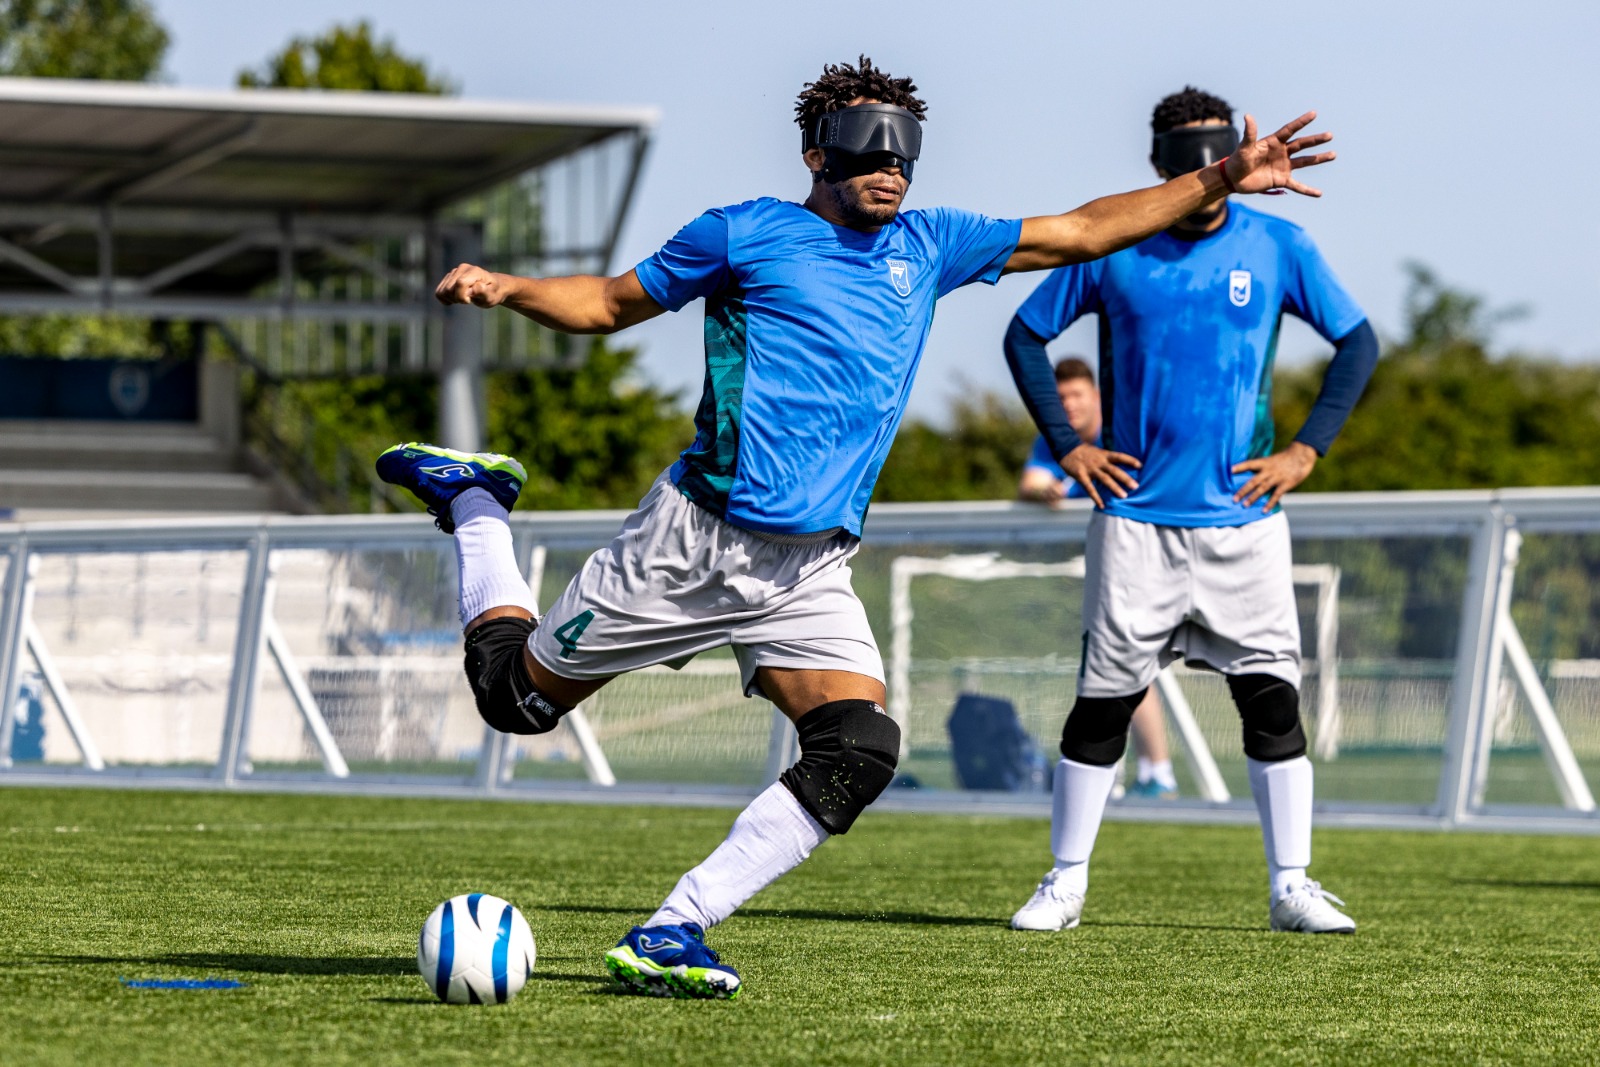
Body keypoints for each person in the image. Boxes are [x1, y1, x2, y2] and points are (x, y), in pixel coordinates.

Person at [377, 59, 1336, 998]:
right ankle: (473, 503)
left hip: (809, 572)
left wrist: (1216, 178)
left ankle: (674, 926)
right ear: (813, 153)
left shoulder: (933, 245)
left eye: (906, 149)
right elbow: (607, 303)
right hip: (692, 542)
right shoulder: (745, 234)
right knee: (515, 702)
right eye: (864, 144)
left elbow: (1085, 230)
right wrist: (510, 287)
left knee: (862, 748)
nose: (889, 166)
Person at [1003, 86, 1378, 936]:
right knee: (1103, 704)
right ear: (1162, 165)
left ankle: (1293, 885)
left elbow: (1357, 341)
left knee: (1271, 702)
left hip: (1243, 521)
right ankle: (1064, 882)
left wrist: (1306, 449)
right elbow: (1025, 335)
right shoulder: (1114, 248)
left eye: (1216, 155)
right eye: (1189, 158)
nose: (1207, 173)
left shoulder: (1280, 244)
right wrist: (1067, 444)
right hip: (1135, 521)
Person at [1018, 357, 1178, 800]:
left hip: (1152, 562)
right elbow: (1029, 483)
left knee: (1129, 665)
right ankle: (1142, 774)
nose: (1068, 405)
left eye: (1076, 396)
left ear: (1096, 397)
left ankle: (1155, 772)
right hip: (1102, 574)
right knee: (1124, 666)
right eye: (1061, 396)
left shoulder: (1128, 431)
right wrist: (1043, 490)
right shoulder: (1053, 441)